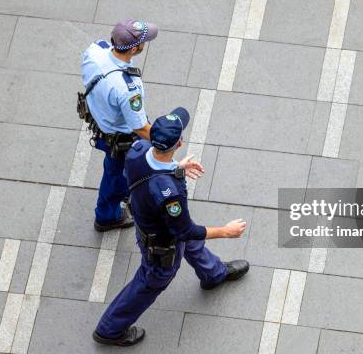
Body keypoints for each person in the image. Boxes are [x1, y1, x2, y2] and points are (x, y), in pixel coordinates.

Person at [92, 107, 250, 346]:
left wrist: (176, 169)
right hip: (161, 243)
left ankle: (214, 273)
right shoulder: (169, 195)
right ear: (179, 143)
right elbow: (185, 230)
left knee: (192, 245)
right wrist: (226, 232)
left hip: (148, 219)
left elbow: (151, 172)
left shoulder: (138, 150)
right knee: (150, 281)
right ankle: (109, 329)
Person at [80, 19, 158, 232]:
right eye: (143, 41)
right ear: (134, 48)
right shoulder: (127, 87)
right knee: (116, 176)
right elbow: (140, 128)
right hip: (118, 136)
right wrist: (164, 140)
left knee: (118, 171)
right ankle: (107, 217)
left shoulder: (95, 49)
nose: (145, 44)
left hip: (100, 120)